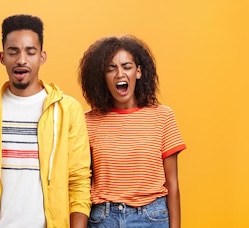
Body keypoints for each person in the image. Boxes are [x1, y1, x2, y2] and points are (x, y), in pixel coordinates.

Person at [0, 14, 91, 228]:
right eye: (13, 52)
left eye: (30, 51)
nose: (21, 59)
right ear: (2, 57)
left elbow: (79, 181)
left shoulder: (67, 110)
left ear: (42, 57)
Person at [78, 35, 187, 228]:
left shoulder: (163, 116)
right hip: (103, 219)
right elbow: (81, 185)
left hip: (152, 218)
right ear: (102, 77)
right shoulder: (88, 121)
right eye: (111, 69)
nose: (120, 74)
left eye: (126, 66)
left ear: (138, 72)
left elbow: (173, 185)